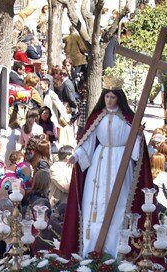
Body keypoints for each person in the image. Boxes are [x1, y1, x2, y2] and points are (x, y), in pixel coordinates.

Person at [60, 77, 152, 257]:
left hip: (121, 163)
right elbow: (88, 141)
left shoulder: (127, 119)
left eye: (113, 97)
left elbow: (136, 149)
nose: (109, 101)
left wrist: (138, 136)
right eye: (107, 97)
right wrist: (76, 156)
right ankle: (91, 250)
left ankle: (116, 251)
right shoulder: (98, 117)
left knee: (119, 206)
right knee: (94, 207)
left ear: (119, 99)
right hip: (98, 165)